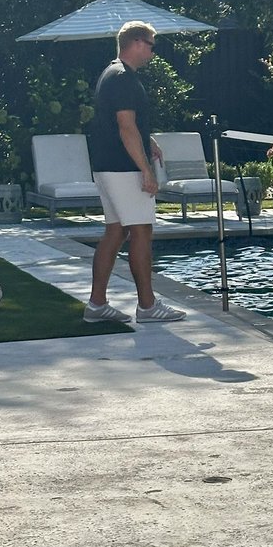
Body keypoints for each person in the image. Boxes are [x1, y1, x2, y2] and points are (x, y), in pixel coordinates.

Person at [84, 21, 185, 324]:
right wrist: (146, 171)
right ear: (138, 43)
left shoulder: (112, 73)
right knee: (142, 230)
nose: (153, 53)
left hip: (107, 166)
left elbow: (123, 124)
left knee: (116, 231)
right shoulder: (124, 79)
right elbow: (126, 128)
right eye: (152, 46)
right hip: (123, 168)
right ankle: (147, 306)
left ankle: (97, 305)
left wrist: (147, 139)